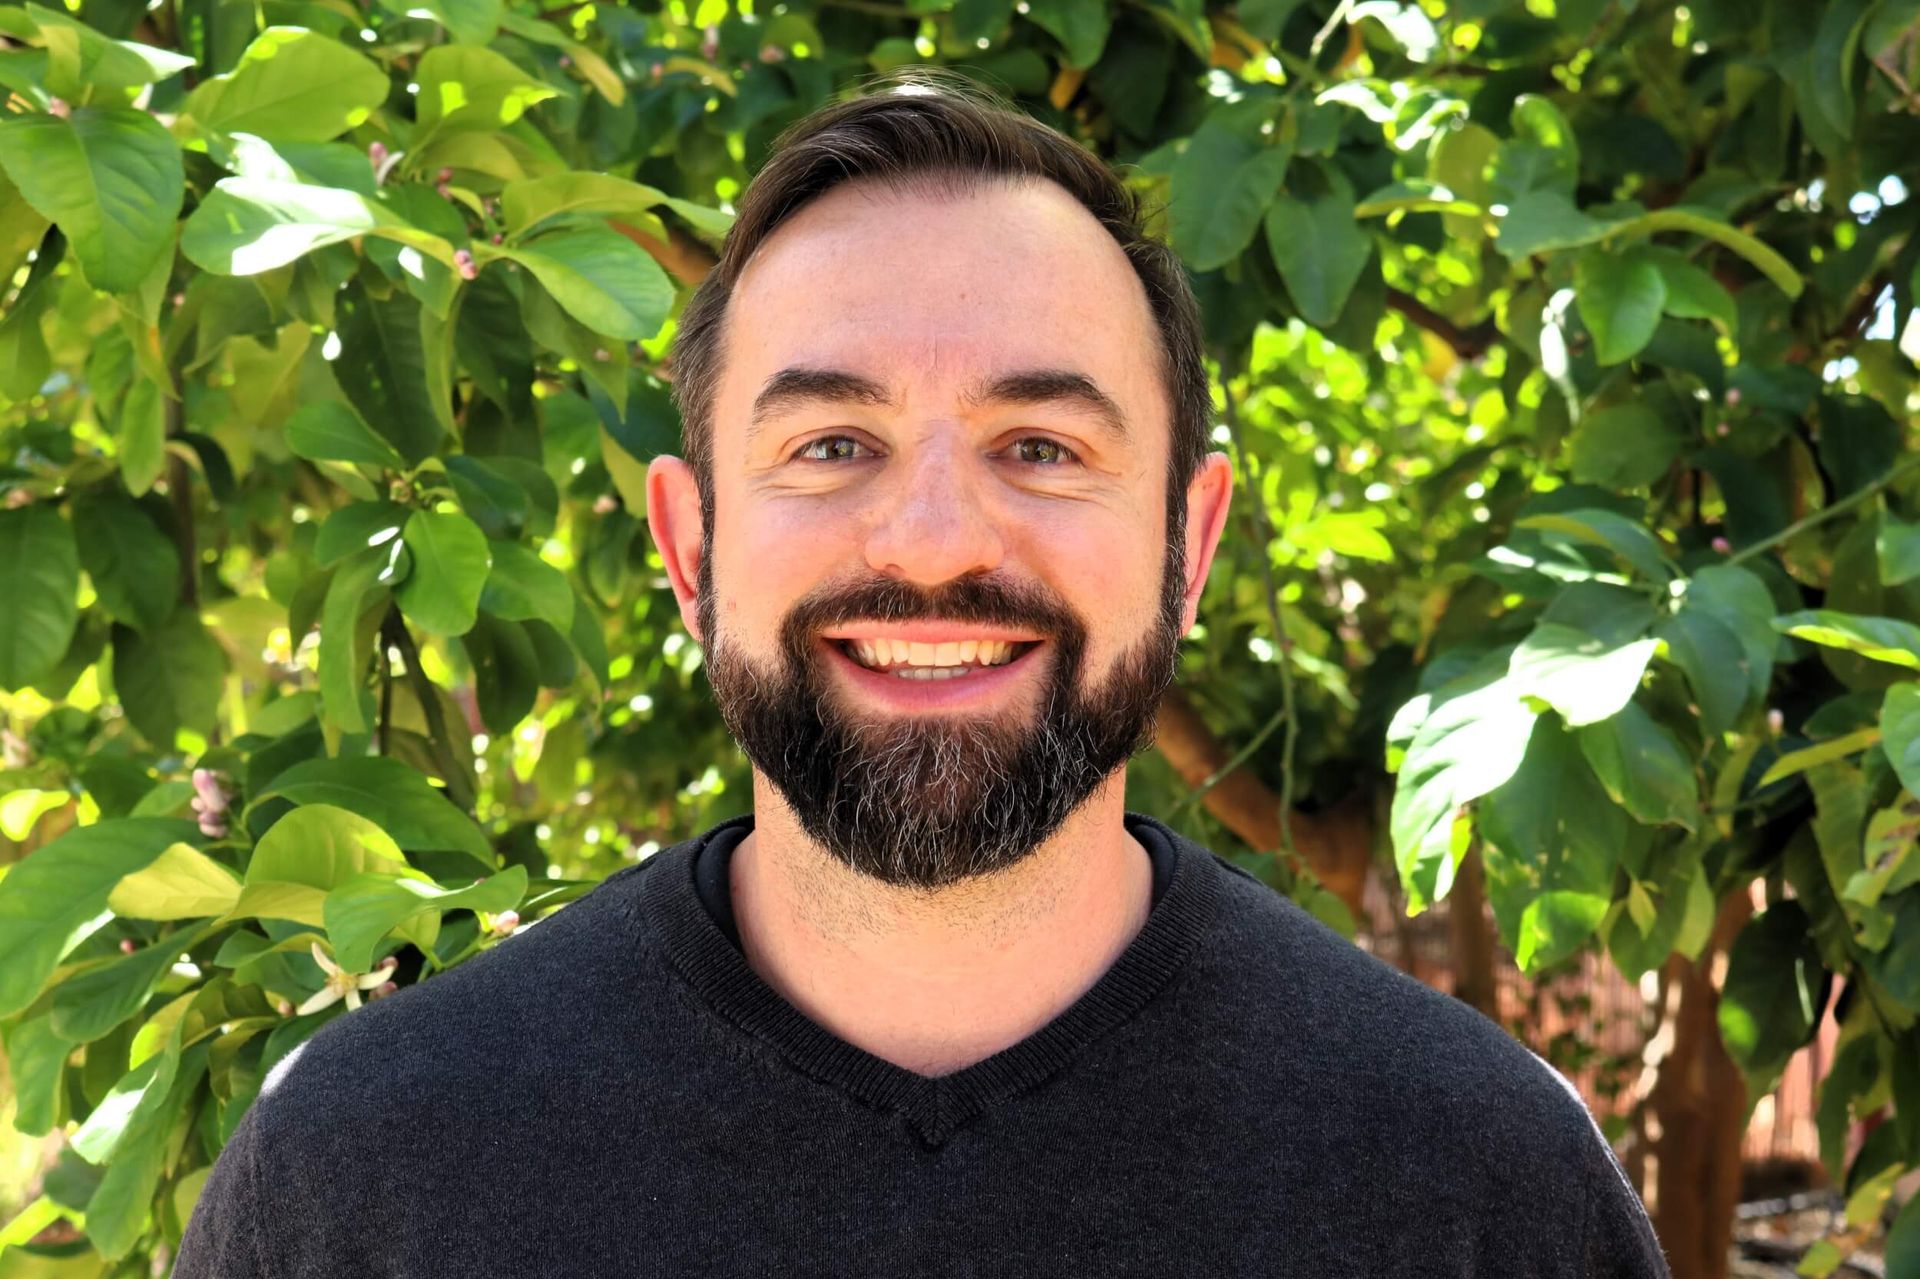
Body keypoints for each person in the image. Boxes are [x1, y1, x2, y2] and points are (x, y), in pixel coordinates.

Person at [172, 71, 1672, 1277]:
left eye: (1042, 447)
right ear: (691, 551)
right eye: (832, 445)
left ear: (1186, 542)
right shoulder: (364, 1173)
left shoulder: (1476, 1179)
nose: (941, 542)